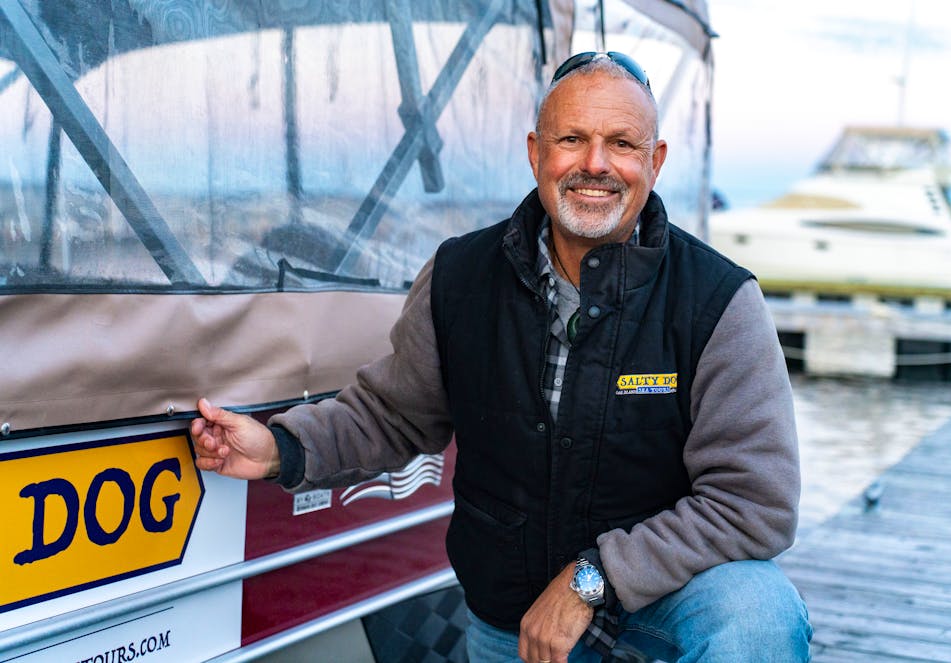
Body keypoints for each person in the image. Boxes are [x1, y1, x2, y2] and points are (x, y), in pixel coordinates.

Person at [191, 51, 812, 663]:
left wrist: (591, 580)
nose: (595, 164)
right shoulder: (459, 275)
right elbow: (393, 416)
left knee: (760, 614)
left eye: (623, 143)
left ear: (656, 160)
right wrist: (278, 448)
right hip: (515, 624)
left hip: (663, 610)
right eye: (572, 138)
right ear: (535, 152)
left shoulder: (720, 300)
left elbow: (754, 503)